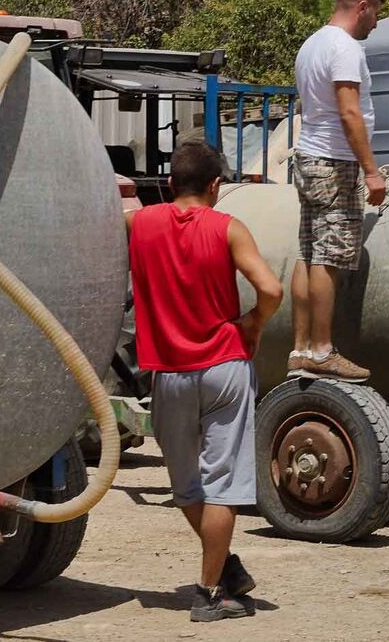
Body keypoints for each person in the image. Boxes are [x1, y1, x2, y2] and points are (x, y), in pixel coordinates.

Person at [127, 141, 284, 620]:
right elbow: (271, 288)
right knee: (222, 484)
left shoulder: (138, 224)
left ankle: (223, 573)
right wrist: (254, 322)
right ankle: (212, 589)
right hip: (224, 368)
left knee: (187, 487)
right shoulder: (229, 227)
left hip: (168, 373)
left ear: (170, 182)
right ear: (215, 185)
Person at [287, 0, 387, 382]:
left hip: (309, 157)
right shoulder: (344, 48)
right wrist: (371, 170)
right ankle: (322, 350)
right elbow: (348, 112)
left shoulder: (311, 44)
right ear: (362, 7)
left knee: (309, 252)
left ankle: (300, 348)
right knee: (328, 258)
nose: (376, 23)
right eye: (376, 13)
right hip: (334, 162)